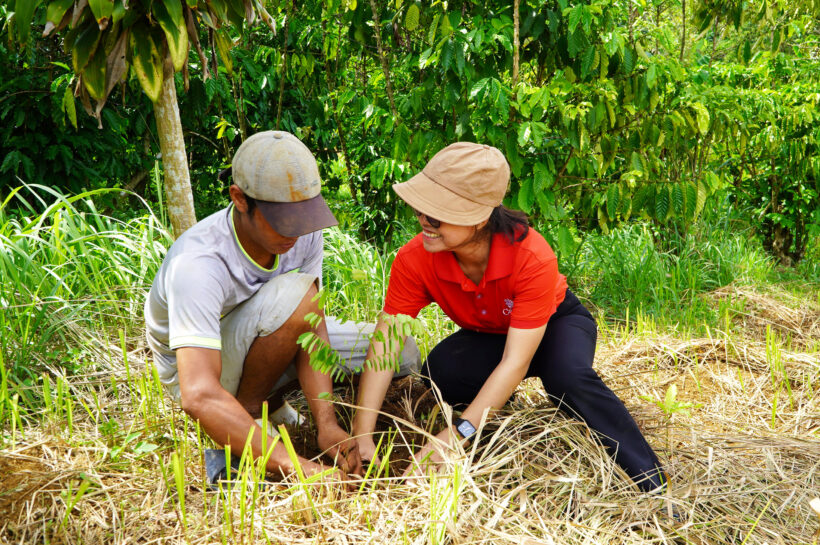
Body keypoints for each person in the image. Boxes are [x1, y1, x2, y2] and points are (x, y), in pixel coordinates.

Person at [351, 142, 666, 491]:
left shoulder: (531, 256)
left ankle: (651, 479)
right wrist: (361, 433)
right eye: (420, 210)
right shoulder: (415, 259)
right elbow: (386, 344)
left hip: (556, 325)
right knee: (441, 370)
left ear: (479, 218)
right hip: (491, 333)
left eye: (436, 215)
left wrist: (454, 438)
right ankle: (495, 413)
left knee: (568, 378)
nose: (424, 221)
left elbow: (514, 363)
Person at [144, 130, 419, 483]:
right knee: (298, 296)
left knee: (400, 352)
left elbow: (312, 320)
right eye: (283, 221)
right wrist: (301, 469)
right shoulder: (198, 263)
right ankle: (246, 415)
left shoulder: (304, 233)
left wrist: (327, 423)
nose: (296, 233)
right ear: (239, 199)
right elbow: (196, 393)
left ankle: (271, 403)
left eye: (303, 219)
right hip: (204, 365)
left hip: (273, 332)